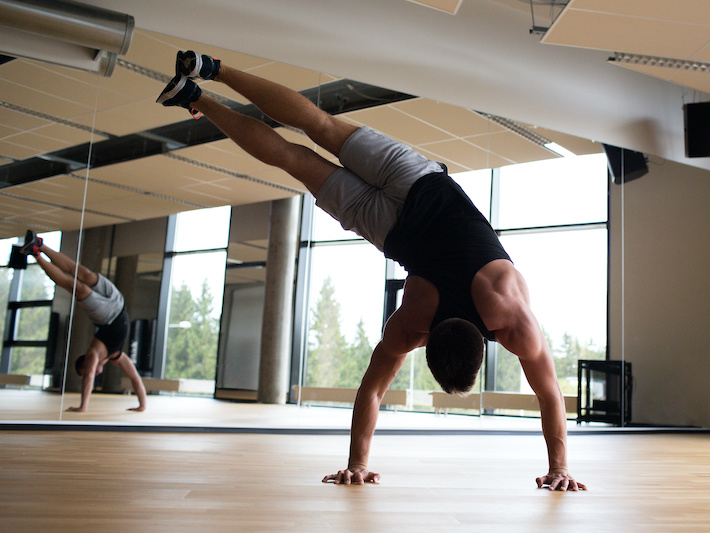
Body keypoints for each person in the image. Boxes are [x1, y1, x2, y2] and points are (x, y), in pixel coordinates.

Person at [157, 51, 585, 491]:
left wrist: (561, 466)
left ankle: (212, 68)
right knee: (293, 159)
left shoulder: (508, 315)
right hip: (386, 229)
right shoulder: (410, 327)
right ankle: (196, 97)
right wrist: (355, 464)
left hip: (420, 182)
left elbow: (549, 394)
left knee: (320, 125)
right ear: (427, 344)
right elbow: (373, 390)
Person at [20, 231, 147, 413]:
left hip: (107, 314)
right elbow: (135, 378)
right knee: (79, 277)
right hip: (118, 303)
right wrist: (142, 405)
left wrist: (83, 406)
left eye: (89, 368)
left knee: (75, 282)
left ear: (86, 363)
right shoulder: (116, 356)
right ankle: (36, 248)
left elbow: (87, 375)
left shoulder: (95, 353)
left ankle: (37, 248)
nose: (92, 371)